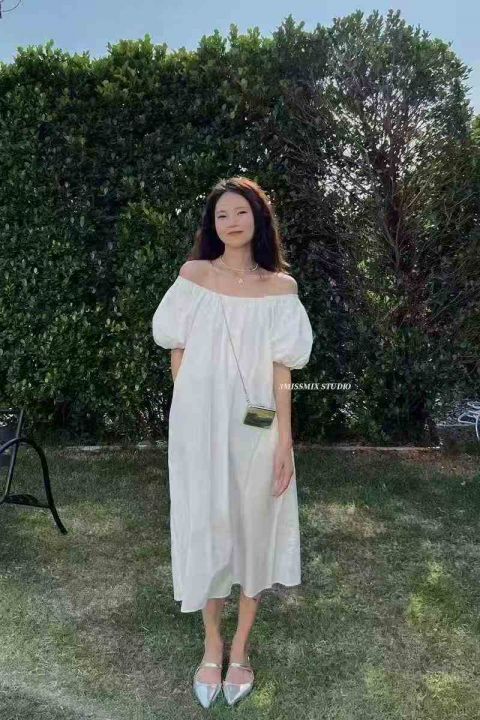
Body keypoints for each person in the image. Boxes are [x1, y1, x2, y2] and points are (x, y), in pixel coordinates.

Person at [152, 176, 314, 708]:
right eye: (221, 215)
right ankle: (211, 644)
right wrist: (192, 409)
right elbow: (175, 345)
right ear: (212, 224)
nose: (231, 222)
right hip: (199, 427)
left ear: (258, 218)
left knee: (253, 525)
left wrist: (285, 440)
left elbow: (283, 369)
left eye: (240, 212)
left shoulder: (281, 288)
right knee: (206, 524)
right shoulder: (194, 276)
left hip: (258, 426)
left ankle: (240, 647)